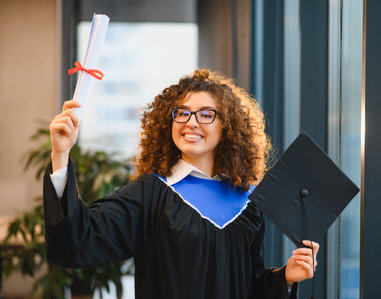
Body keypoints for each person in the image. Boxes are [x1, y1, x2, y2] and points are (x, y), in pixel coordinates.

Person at [44, 69, 319, 298]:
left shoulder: (247, 204)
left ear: (228, 126)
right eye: (182, 113)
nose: (191, 122)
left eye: (206, 114)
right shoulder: (151, 193)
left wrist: (286, 276)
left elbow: (250, 286)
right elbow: (79, 239)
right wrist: (61, 154)